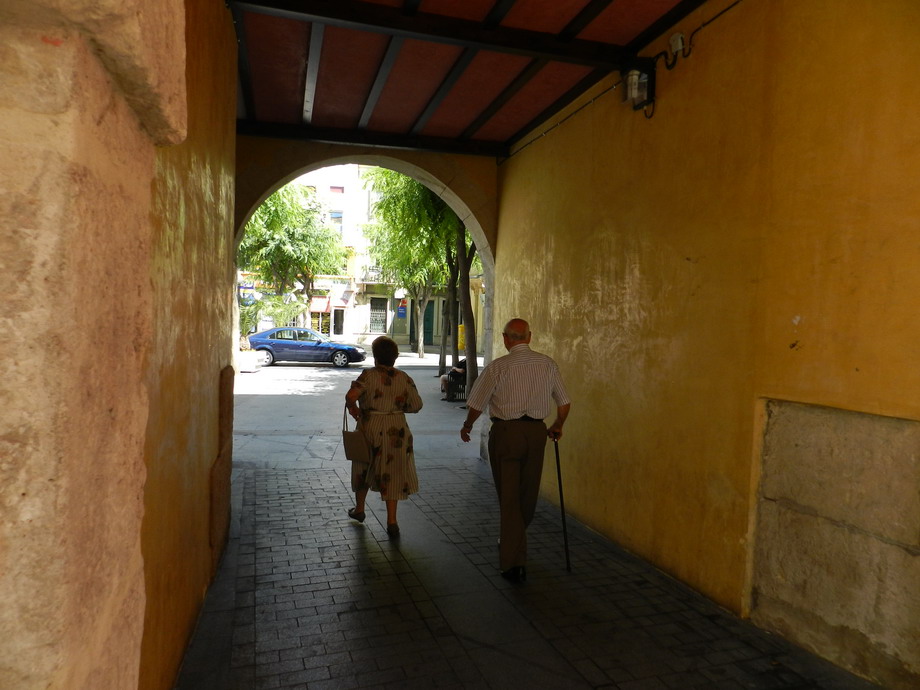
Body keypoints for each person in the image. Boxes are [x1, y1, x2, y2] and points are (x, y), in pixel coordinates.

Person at [460, 318, 570, 583]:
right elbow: (564, 401)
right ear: (529, 337)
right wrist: (557, 424)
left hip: (506, 434)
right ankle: (513, 542)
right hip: (536, 434)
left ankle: (513, 564)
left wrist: (468, 425)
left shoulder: (498, 367)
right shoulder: (548, 364)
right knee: (527, 495)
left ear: (506, 338)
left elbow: (476, 403)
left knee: (509, 498)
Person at [345, 336, 423, 537]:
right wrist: (396, 408)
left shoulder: (368, 376)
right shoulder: (404, 377)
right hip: (396, 429)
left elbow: (351, 396)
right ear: (395, 357)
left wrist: (354, 409)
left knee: (362, 466)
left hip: (369, 427)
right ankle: (392, 522)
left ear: (375, 357)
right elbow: (416, 405)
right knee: (393, 472)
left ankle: (359, 509)